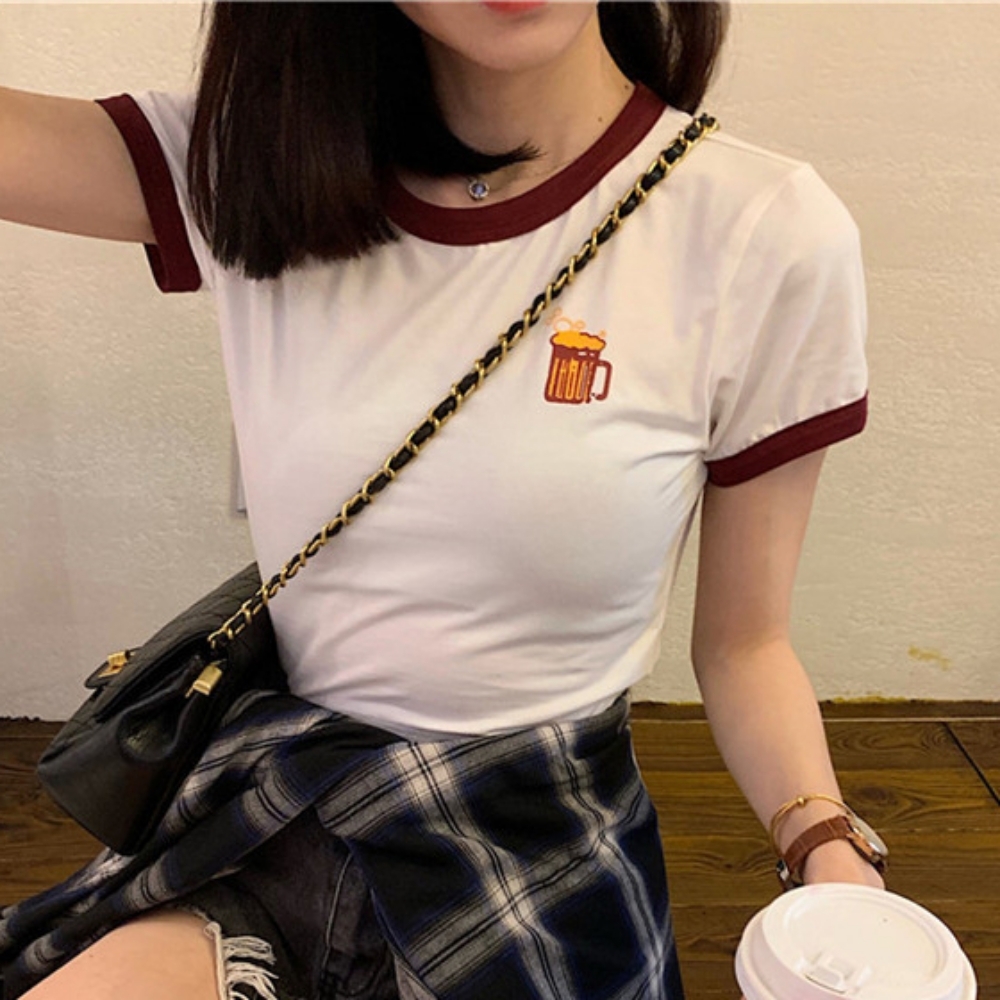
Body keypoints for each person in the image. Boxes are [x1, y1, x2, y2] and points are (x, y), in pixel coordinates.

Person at [0, 3, 885, 999]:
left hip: (536, 842)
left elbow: (745, 643)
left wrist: (824, 842)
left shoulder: (762, 230)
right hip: (280, 803)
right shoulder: (257, 169)